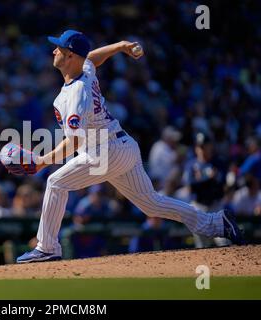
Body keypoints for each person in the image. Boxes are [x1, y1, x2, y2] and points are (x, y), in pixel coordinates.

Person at [16, 30, 244, 263]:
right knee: (151, 204)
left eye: (60, 48)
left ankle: (47, 247)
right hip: (122, 146)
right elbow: (91, 58)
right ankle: (215, 222)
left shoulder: (76, 93)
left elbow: (74, 141)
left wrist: (43, 161)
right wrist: (120, 46)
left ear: (72, 56)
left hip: (106, 151)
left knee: (55, 182)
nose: (54, 50)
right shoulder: (83, 71)